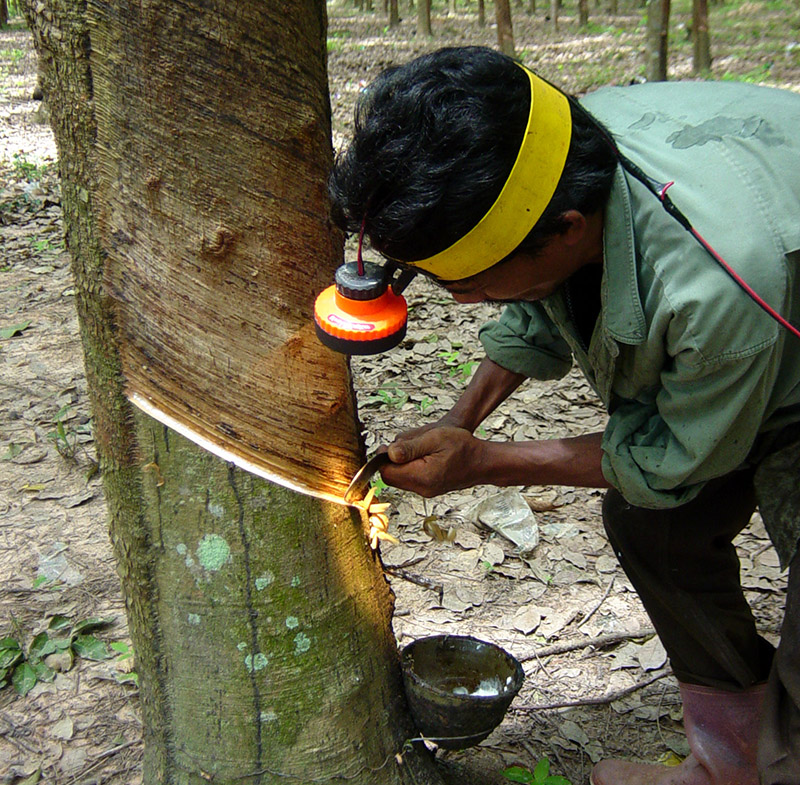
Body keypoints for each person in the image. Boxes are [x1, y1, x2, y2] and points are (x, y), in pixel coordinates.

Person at [329, 46, 800, 784]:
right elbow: (536, 305)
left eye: (472, 284)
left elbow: (672, 455)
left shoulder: (712, 284)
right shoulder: (553, 152)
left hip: (772, 304)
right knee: (655, 527)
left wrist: (482, 464)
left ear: (569, 229)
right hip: (755, 332)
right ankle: (731, 754)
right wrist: (464, 420)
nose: (460, 299)